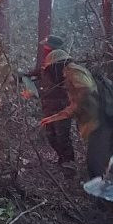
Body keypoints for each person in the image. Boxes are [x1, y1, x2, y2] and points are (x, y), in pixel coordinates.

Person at [39, 48, 113, 178]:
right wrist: (54, 117)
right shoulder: (70, 72)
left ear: (57, 65)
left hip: (98, 122)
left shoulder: (74, 72)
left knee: (96, 161)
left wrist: (63, 113)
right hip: (91, 122)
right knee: (96, 159)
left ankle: (100, 189)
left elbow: (86, 95)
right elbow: (77, 104)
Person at [31, 34, 75, 165]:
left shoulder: (65, 64)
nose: (44, 48)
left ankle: (69, 165)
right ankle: (62, 159)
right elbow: (39, 72)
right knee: (51, 136)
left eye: (46, 46)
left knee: (62, 137)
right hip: (48, 106)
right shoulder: (48, 63)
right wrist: (22, 76)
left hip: (62, 106)